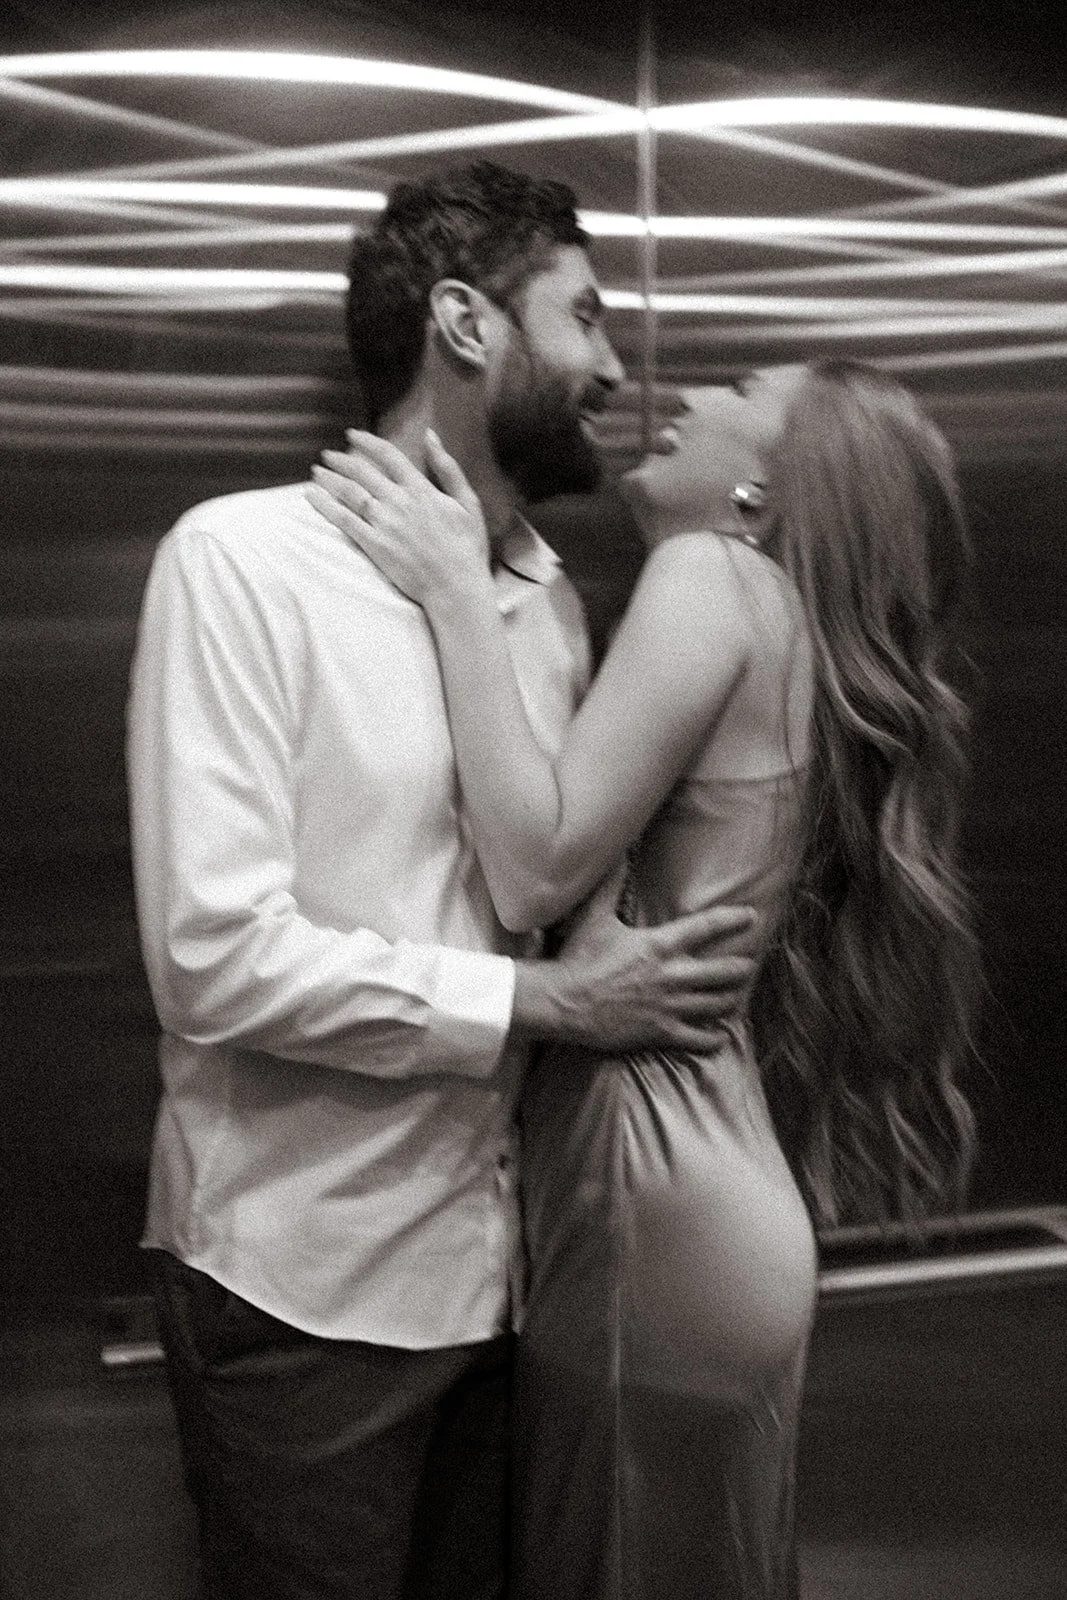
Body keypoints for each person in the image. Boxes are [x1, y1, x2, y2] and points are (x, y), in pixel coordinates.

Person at [126, 160, 757, 1600]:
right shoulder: (240, 564)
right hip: (301, 1291)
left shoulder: (541, 599)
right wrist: (541, 1006)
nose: (610, 366)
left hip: (505, 1283)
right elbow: (211, 957)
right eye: (584, 318)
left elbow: (539, 880)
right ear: (464, 325)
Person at [308, 358, 979, 1598]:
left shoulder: (711, 578)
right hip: (698, 1202)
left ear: (762, 482)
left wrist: (456, 588)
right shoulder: (771, 614)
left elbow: (531, 865)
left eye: (740, 386)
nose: (684, 394)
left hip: (650, 1216)